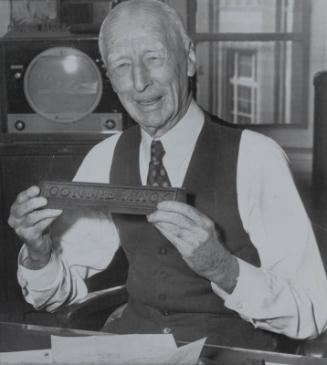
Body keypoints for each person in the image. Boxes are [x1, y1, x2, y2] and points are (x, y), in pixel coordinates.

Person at [8, 0, 327, 351]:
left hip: (229, 354)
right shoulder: (105, 157)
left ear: (189, 58)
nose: (140, 82)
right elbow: (55, 295)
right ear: (110, 78)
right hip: (133, 352)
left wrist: (224, 268)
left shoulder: (256, 158)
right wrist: (39, 253)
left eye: (154, 58)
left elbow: (311, 311)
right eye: (122, 65)